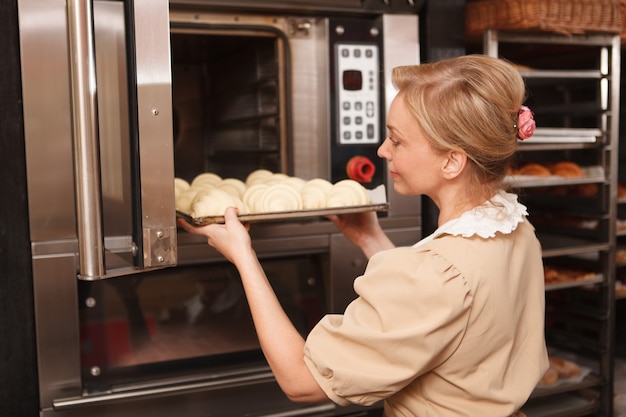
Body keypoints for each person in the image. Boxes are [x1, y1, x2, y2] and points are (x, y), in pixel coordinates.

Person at [178, 54, 549, 417]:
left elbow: (301, 381)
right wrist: (369, 239)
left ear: (451, 161)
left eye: (397, 141)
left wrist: (244, 258)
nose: (382, 150)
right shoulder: (516, 228)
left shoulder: (436, 274)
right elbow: (449, 313)